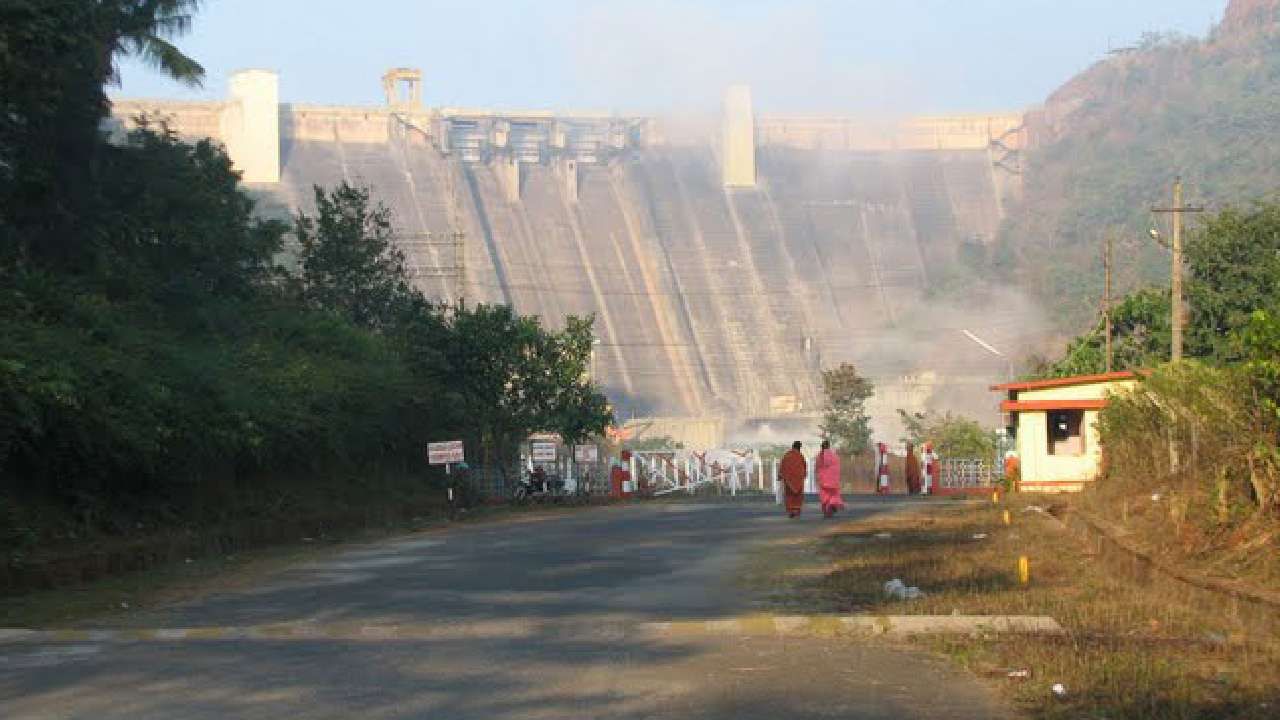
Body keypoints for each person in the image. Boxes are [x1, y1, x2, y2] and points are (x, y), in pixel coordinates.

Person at [779, 441, 808, 518]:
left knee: (789, 495)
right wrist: (804, 475)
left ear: (792, 446)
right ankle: (797, 510)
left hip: (788, 480)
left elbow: (782, 465)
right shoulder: (800, 456)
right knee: (798, 495)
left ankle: (791, 510)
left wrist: (780, 475)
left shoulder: (787, 455)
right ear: (799, 447)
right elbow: (804, 467)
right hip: (798, 479)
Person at [816, 440, 844, 518]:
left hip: (823, 481)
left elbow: (817, 468)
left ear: (821, 447)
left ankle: (827, 511)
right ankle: (832, 505)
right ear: (829, 446)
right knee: (833, 495)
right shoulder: (835, 456)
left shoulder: (819, 456)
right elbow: (837, 468)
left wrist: (819, 478)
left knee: (824, 496)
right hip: (833, 481)